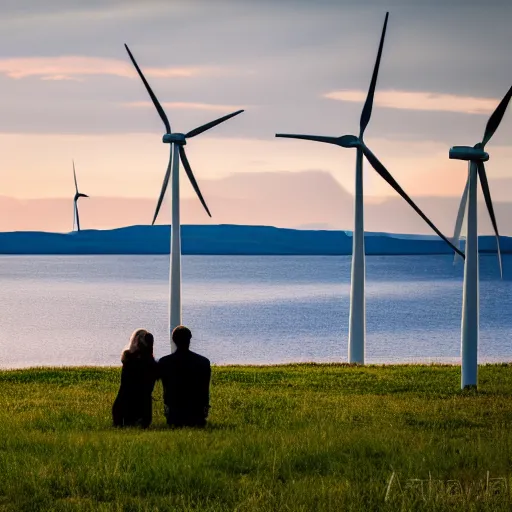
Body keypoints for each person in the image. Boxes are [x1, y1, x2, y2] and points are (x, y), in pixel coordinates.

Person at [158, 326, 211, 428]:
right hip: (197, 414)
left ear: (173, 340)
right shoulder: (204, 362)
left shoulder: (164, 362)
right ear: (190, 339)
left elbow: (165, 388)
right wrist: (205, 407)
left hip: (174, 415)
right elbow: (205, 389)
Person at [112, 329, 159, 428]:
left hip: (122, 409)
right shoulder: (152, 364)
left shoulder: (127, 358)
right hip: (144, 411)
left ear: (135, 341)